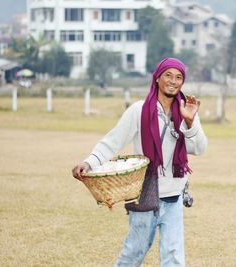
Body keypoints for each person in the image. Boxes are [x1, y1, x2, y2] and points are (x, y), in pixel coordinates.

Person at [72, 57, 207, 266]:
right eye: (168, 75)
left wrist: (189, 122)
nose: (173, 81)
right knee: (134, 252)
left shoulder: (186, 111)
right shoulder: (139, 110)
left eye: (179, 77)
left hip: (174, 196)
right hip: (145, 192)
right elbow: (112, 141)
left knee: (173, 256)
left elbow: (199, 148)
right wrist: (89, 162)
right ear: (157, 79)